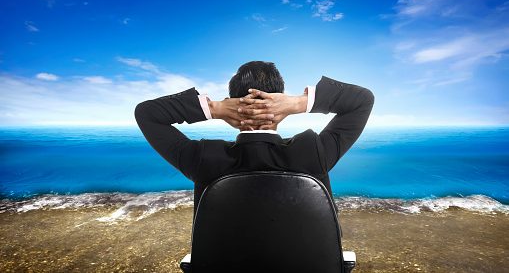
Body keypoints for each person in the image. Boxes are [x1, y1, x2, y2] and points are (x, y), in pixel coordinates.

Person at [134, 61, 374, 217]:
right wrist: (297, 103)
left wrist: (214, 108)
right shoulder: (312, 152)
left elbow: (147, 114)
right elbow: (363, 99)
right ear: (279, 100)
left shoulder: (204, 159)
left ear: (233, 101)